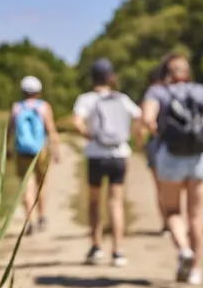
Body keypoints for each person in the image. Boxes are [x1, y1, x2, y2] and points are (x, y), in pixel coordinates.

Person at [141, 55, 203, 286]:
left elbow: (147, 119)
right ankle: (195, 270)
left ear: (166, 73)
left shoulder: (157, 92)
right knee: (196, 215)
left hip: (170, 156)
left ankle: (183, 250)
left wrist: (157, 131)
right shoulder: (201, 91)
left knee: (172, 211)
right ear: (187, 72)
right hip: (199, 156)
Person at [73, 58, 143, 268]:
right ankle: (118, 250)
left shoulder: (86, 99)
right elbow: (142, 117)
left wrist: (90, 135)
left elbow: (77, 123)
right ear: (111, 77)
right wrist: (128, 134)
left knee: (94, 202)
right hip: (119, 154)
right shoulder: (122, 98)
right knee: (116, 202)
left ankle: (96, 247)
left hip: (96, 154)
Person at [9, 76, 61, 235]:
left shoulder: (17, 108)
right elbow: (51, 129)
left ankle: (29, 220)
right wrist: (56, 148)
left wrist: (7, 148)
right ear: (38, 91)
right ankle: (42, 216)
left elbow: (10, 130)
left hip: (23, 150)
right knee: (41, 184)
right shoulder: (43, 107)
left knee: (27, 186)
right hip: (41, 150)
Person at [144, 64, 170, 237]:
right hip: (179, 144)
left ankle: (167, 224)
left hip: (158, 142)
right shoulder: (177, 91)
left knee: (160, 187)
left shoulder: (153, 93)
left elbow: (147, 120)